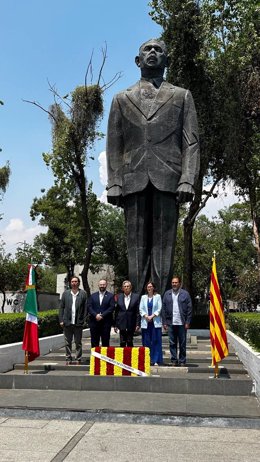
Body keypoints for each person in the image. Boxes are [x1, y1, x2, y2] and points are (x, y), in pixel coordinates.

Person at [106, 39, 200, 295]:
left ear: (167, 60)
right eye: (147, 49)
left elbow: (191, 143)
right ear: (138, 61)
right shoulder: (121, 99)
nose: (152, 53)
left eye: (159, 50)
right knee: (135, 249)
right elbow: (114, 144)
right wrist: (114, 182)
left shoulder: (182, 96)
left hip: (168, 178)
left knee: (164, 247)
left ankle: (161, 309)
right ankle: (134, 308)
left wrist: (187, 179)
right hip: (132, 179)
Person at [162, 276, 192, 366]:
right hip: (171, 323)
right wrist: (164, 322)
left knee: (182, 343)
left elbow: (190, 309)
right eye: (173, 283)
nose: (174, 284)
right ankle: (174, 360)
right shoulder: (167, 294)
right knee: (172, 343)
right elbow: (163, 309)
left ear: (179, 283)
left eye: (176, 282)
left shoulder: (185, 294)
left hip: (182, 323)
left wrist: (188, 322)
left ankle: (182, 360)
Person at [59, 276, 87, 365]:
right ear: (70, 283)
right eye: (72, 281)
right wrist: (61, 320)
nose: (74, 283)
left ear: (79, 283)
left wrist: (84, 320)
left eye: (76, 281)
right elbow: (61, 308)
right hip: (67, 322)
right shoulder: (65, 294)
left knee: (78, 342)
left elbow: (86, 308)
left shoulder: (83, 293)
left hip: (78, 323)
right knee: (67, 342)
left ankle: (78, 358)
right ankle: (68, 358)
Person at [139, 281, 163, 366]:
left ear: (153, 288)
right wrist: (146, 316)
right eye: (148, 287)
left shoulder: (158, 297)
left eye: (151, 286)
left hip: (155, 322)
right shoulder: (143, 297)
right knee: (146, 342)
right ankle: (147, 359)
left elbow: (159, 309)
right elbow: (141, 309)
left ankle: (155, 360)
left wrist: (152, 316)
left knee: (156, 341)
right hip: (146, 322)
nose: (149, 288)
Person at [87, 279, 115, 347]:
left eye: (104, 284)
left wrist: (102, 315)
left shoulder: (110, 296)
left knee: (105, 342)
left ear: (106, 285)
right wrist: (96, 315)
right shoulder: (93, 296)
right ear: (98, 285)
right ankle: (95, 357)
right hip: (94, 322)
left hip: (105, 323)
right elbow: (89, 307)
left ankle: (104, 357)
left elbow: (111, 308)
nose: (102, 286)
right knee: (94, 342)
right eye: (101, 284)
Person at [115, 280, 140, 347]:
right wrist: (116, 324)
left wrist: (137, 324)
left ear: (131, 287)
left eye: (128, 286)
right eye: (125, 286)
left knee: (130, 341)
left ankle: (130, 357)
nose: (126, 288)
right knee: (122, 342)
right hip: (121, 322)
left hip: (131, 322)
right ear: (122, 288)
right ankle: (122, 357)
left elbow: (137, 312)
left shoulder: (136, 297)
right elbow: (117, 311)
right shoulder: (119, 297)